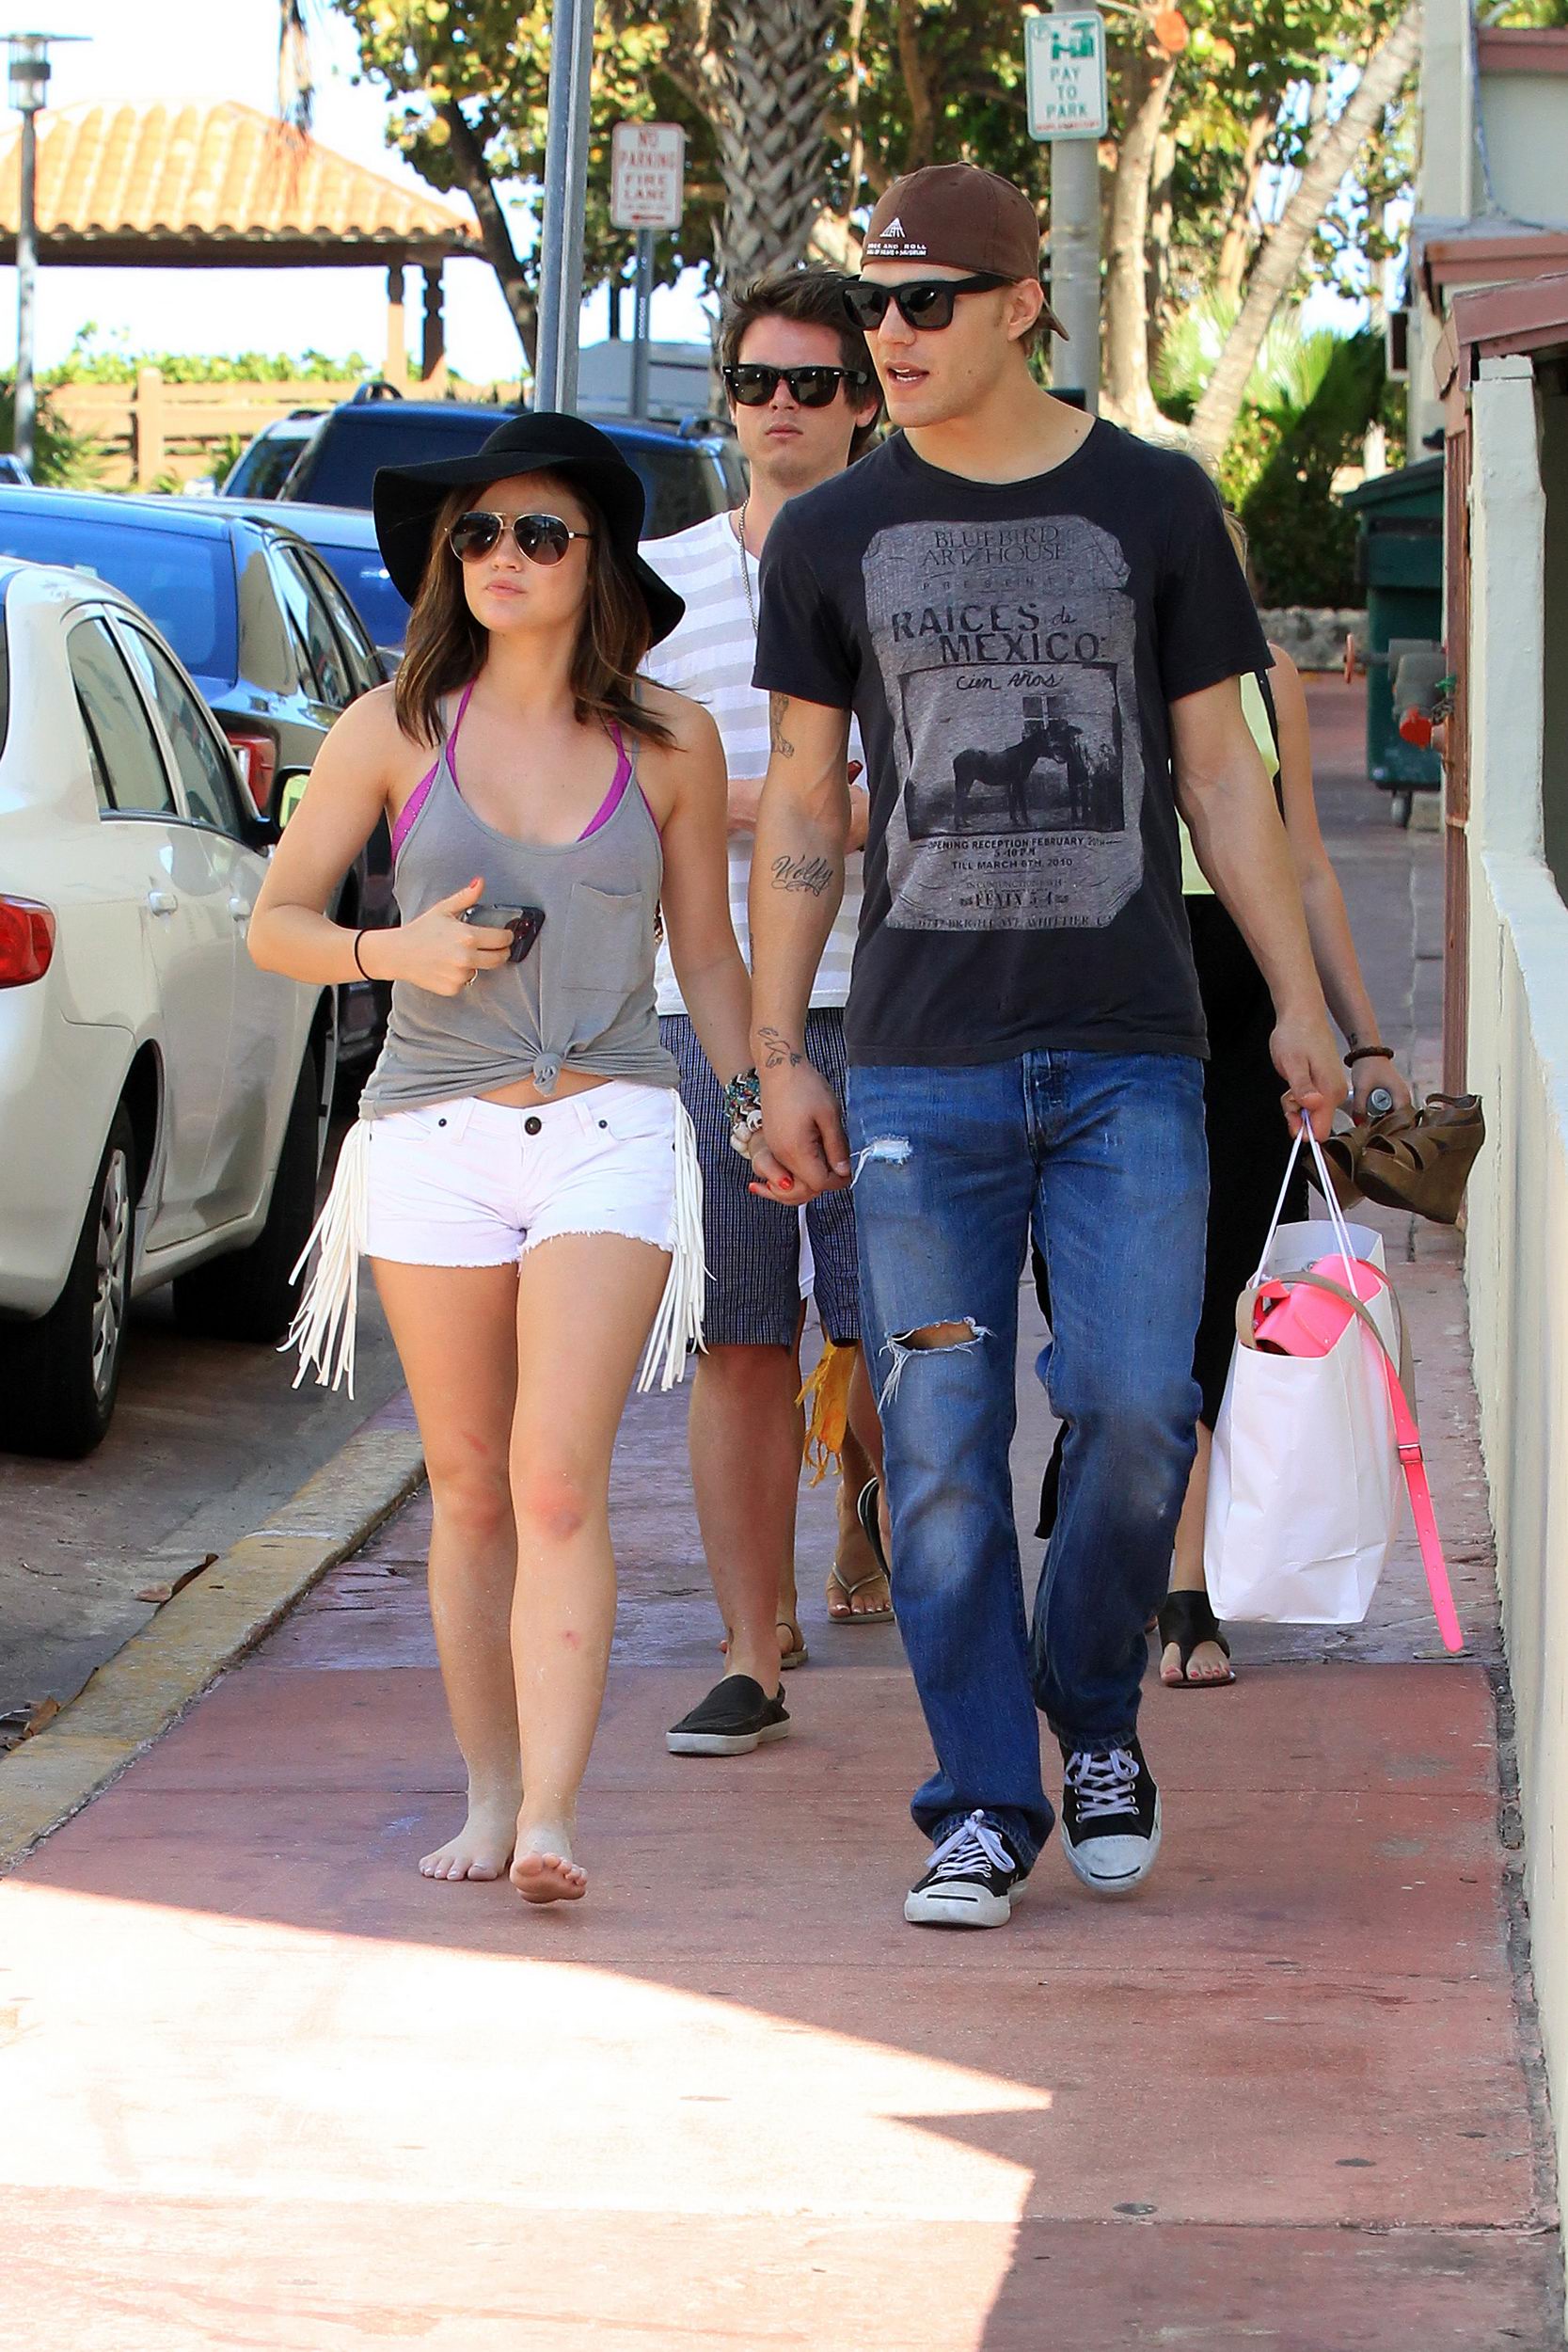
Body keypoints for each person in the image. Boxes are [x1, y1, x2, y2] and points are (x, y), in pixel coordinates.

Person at [744, 163, 1347, 1931]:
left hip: (1130, 1053)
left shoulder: (1152, 504)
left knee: (1138, 1413)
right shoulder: (836, 533)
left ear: (1020, 305)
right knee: (934, 1444)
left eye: (925, 303)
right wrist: (782, 1047)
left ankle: (1091, 1717)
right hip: (921, 1060)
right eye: (874, 307)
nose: (889, 338)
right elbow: (802, 798)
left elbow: (1222, 775)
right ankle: (984, 1798)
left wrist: (1298, 998)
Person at [247, 414, 791, 1905]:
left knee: (558, 1482)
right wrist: (393, 948)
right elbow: (274, 922)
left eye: (537, 535)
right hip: (425, 1137)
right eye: (476, 535)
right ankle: (487, 1790)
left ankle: (552, 1814)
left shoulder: (667, 739)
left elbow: (712, 954)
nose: (501, 557)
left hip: (609, 1125)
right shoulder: (390, 730)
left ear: (593, 560)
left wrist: (755, 1097)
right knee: (470, 1482)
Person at [1035, 553, 1415, 1686]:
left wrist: (1361, 1036)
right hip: (1095, 983)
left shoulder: (1266, 679)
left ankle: (1182, 1583)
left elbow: (1300, 870)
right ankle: (1125, 1536)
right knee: (1094, 1296)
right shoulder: (1057, 668)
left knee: (1214, 1290)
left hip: (1240, 994)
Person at [643, 264, 892, 1761]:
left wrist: (769, 811)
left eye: (813, 383)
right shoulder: (663, 583)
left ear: (866, 399)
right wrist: (790, 804)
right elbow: (619, 794)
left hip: (901, 999)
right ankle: (751, 1645)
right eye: (756, 383)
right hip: (706, 1012)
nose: (782, 409)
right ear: (726, 400)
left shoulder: (913, 554)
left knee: (904, 1329)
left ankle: (911, 1568)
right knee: (739, 1333)